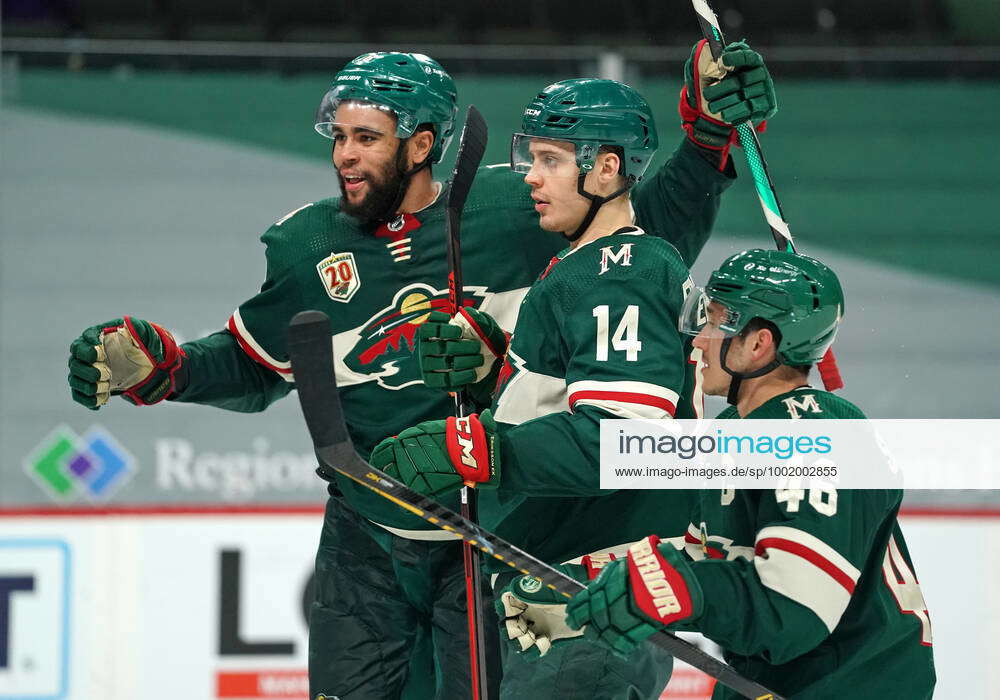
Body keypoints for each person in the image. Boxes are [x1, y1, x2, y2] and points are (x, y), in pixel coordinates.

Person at [66, 44, 775, 700]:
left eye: (365, 138)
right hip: (367, 532)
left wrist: (708, 142)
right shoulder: (306, 245)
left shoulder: (516, 208)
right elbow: (257, 365)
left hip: (490, 531)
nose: (345, 155)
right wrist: (169, 370)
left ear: (423, 145)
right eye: (339, 136)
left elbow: (636, 236)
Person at [370, 77, 709, 699]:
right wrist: (484, 378)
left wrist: (471, 448)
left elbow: (627, 444)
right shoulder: (584, 267)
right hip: (560, 592)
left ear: (606, 170)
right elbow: (562, 405)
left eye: (552, 160)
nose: (530, 175)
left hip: (590, 598)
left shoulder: (621, 270)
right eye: (533, 156)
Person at [563, 249, 937, 699]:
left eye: (716, 322)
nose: (699, 340)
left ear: (759, 344)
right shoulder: (740, 431)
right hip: (769, 682)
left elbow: (792, 610)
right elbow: (710, 555)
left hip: (847, 685)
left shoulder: (820, 438)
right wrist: (583, 585)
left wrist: (674, 586)